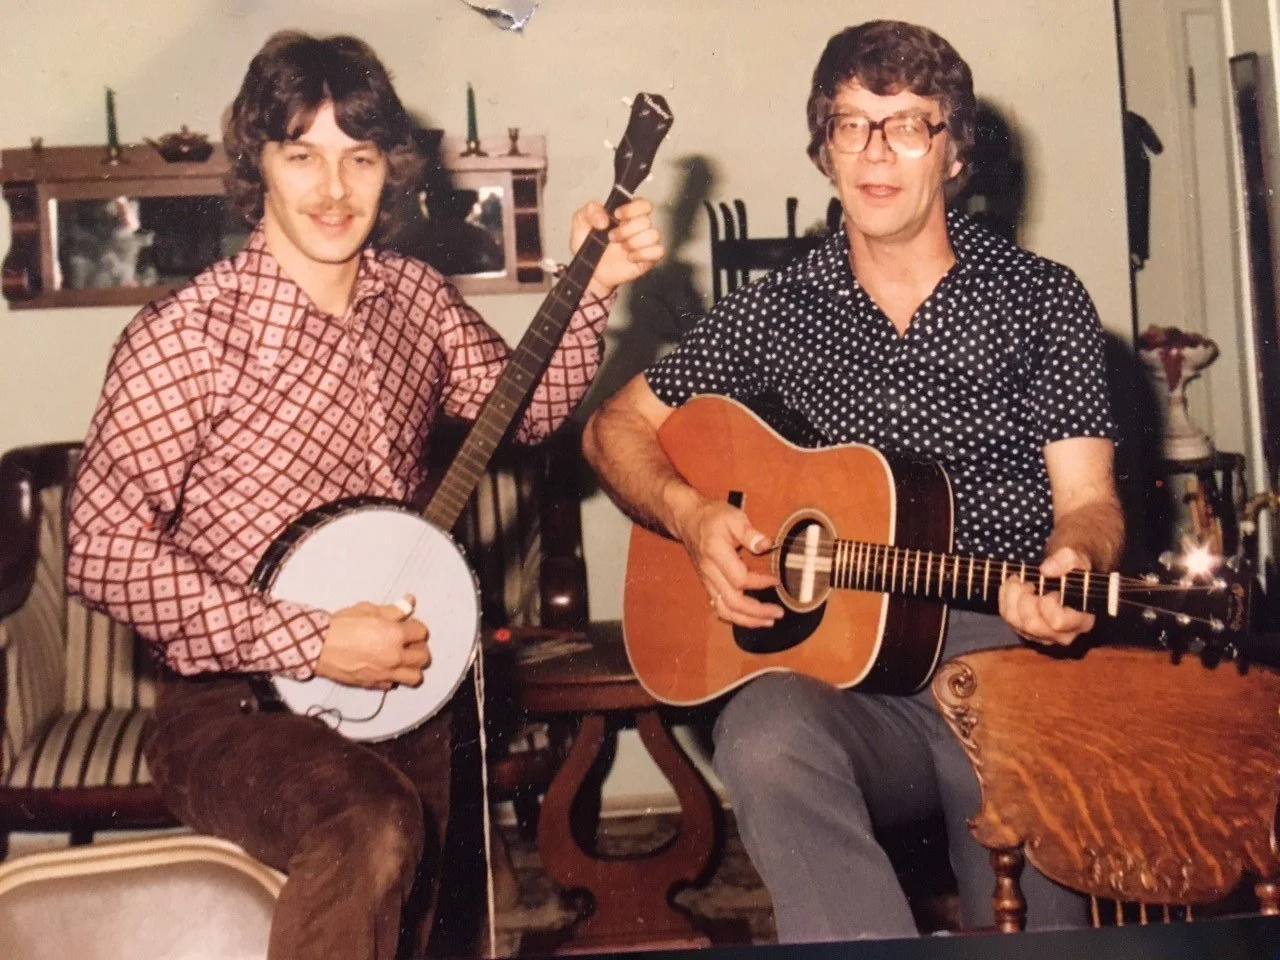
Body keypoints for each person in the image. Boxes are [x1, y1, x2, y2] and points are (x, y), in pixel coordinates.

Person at [64, 30, 663, 960]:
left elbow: (532, 411)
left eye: (361, 157)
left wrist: (594, 287)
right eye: (302, 155)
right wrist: (309, 639)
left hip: (410, 682)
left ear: (393, 171)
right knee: (375, 826)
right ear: (257, 163)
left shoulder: (414, 302)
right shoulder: (184, 337)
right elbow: (100, 551)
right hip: (235, 713)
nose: (334, 189)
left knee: (436, 928)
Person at [582, 19, 1123, 942]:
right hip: (842, 664)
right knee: (765, 737)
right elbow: (614, 426)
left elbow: (1090, 504)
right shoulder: (779, 308)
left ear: (954, 153)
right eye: (850, 124)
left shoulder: (1041, 299)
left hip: (1006, 649)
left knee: (1031, 885)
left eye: (909, 124)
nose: (876, 152)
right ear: (823, 147)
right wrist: (691, 514)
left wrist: (1074, 558)